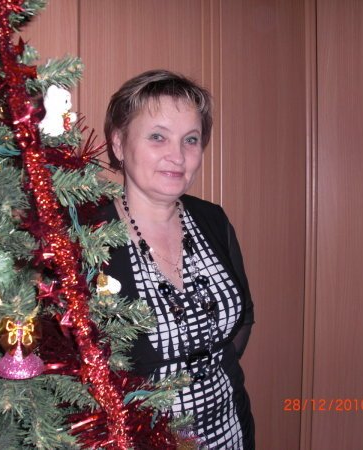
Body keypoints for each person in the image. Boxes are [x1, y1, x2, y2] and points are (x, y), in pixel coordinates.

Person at [100, 69, 255, 449]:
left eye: (191, 139)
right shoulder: (89, 236)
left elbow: (242, 319)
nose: (178, 155)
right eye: (158, 136)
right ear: (119, 144)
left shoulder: (211, 219)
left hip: (230, 432)